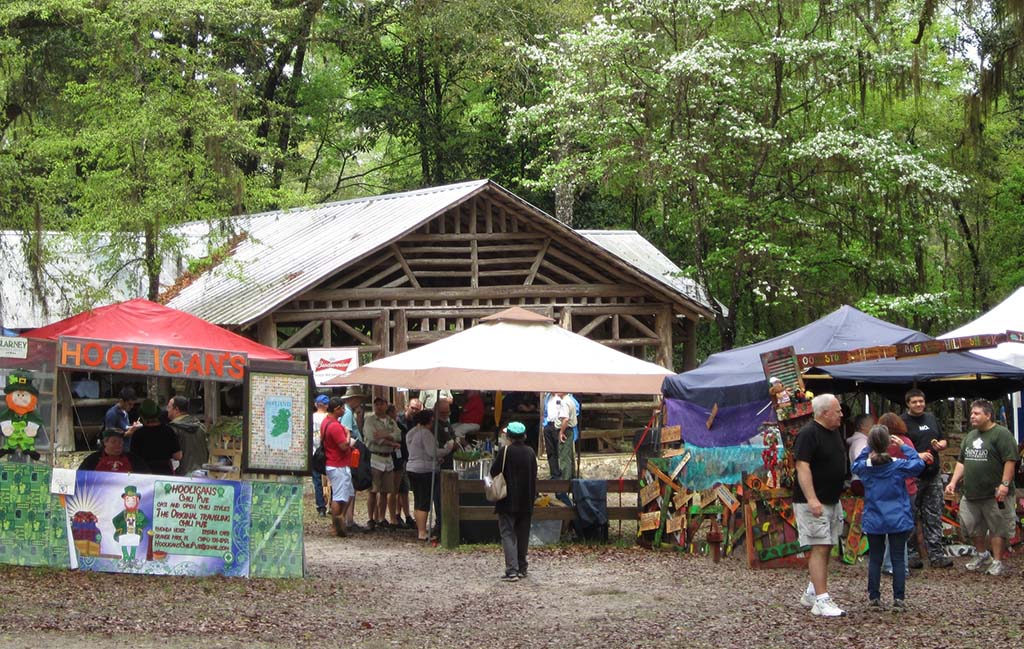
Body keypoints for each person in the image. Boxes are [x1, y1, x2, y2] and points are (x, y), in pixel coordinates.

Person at [852, 424, 925, 610]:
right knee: (898, 558)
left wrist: (869, 448)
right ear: (888, 443)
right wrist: (904, 446)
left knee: (875, 559)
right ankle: (898, 599)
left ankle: (874, 597)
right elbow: (919, 464)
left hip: (875, 518)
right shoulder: (897, 465)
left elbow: (855, 465)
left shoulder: (865, 468)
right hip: (897, 517)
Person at [944, 399, 1018, 576]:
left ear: (988, 415)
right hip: (971, 492)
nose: (972, 417)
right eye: (971, 414)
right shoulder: (971, 436)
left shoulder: (1001, 434)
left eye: (976, 413)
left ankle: (997, 561)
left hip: (995, 493)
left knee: (998, 527)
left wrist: (1005, 485)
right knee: (971, 525)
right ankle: (981, 554)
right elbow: (962, 462)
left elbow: (1010, 460)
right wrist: (953, 482)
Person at [794, 393, 847, 617]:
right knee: (819, 546)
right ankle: (822, 601)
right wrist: (812, 498)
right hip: (813, 501)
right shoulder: (808, 434)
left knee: (828, 545)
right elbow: (802, 467)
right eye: (837, 411)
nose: (841, 415)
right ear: (824, 413)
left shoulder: (834, 433)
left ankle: (812, 591)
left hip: (832, 499)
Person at [900, 388, 953, 569]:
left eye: (921, 401)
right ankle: (912, 554)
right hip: (913, 477)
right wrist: (916, 455)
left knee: (934, 515)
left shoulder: (931, 418)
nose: (918, 405)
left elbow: (943, 438)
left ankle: (936, 554)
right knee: (911, 515)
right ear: (908, 403)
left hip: (932, 475)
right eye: (914, 402)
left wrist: (942, 444)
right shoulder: (902, 422)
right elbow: (897, 448)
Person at [490, 421, 538, 582]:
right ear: (524, 436)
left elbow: (494, 471)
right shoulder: (531, 452)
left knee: (508, 534)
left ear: (508, 436)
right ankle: (522, 567)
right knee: (523, 535)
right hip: (526, 499)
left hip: (507, 500)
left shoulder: (505, 451)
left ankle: (511, 570)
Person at [406, 409, 455, 541]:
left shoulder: (411, 432)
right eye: (432, 420)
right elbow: (432, 452)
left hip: (413, 468)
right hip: (424, 470)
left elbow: (418, 451)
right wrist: (447, 449)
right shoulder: (425, 433)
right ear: (429, 420)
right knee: (424, 501)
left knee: (418, 500)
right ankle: (422, 532)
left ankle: (420, 529)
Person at [363, 396, 401, 528]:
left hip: (388, 458)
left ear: (386, 405)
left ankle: (381, 517)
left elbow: (398, 435)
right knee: (373, 490)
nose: (379, 406)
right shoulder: (370, 420)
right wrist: (391, 441)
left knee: (386, 490)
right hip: (374, 457)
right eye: (376, 404)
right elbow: (372, 437)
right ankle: (371, 518)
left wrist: (385, 435)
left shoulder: (391, 421)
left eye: (381, 404)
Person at [321, 396, 355, 537]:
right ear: (336, 409)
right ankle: (336, 525)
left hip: (336, 463)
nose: (344, 411)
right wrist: (347, 435)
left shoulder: (327, 422)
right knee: (339, 496)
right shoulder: (334, 426)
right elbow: (343, 446)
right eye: (342, 408)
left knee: (349, 493)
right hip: (338, 464)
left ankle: (340, 520)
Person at [130, 399, 181, 475]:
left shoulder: (137, 434)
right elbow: (178, 456)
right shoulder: (168, 431)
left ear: (142, 416)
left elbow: (133, 458)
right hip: (165, 472)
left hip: (144, 473)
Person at [339, 386, 366, 529]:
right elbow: (346, 433)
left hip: (350, 452)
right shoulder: (348, 413)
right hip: (352, 452)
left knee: (351, 486)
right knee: (351, 486)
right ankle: (348, 518)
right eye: (359, 398)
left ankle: (348, 518)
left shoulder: (348, 412)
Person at [392, 399, 421, 528]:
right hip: (399, 457)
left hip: (410, 457)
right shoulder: (398, 421)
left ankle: (406, 515)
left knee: (404, 488)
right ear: (406, 407)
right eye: (412, 408)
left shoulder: (417, 422)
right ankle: (397, 515)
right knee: (398, 488)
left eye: (417, 409)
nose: (414, 411)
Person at [167, 395, 209, 475]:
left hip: (183, 475)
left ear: (176, 409)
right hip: (203, 474)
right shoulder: (201, 427)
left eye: (169, 407)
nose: (167, 410)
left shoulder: (173, 429)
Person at [79, 429, 150, 473]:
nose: (118, 444)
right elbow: (81, 476)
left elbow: (146, 475)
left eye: (120, 442)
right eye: (114, 442)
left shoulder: (133, 459)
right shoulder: (92, 459)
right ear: (105, 442)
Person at [112, 485, 149, 563]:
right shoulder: (124, 513)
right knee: (123, 542)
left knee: (134, 542)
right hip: (125, 532)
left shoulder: (139, 513)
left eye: (133, 500)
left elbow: (146, 521)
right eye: (128, 500)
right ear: (125, 501)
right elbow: (115, 520)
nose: (130, 502)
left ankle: (132, 557)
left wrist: (140, 526)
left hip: (135, 532)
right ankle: (125, 556)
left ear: (137, 500)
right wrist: (120, 528)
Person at [542, 392, 572, 479]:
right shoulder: (547, 396)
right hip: (549, 424)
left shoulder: (566, 397)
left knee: (562, 451)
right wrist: (545, 424)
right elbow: (545, 411)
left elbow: (574, 409)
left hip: (559, 425)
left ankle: (564, 475)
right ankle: (554, 474)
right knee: (551, 451)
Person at [311, 394, 330, 517]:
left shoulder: (311, 417)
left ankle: (321, 506)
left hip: (314, 452)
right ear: (327, 405)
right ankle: (332, 504)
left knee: (317, 480)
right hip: (328, 452)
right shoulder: (329, 418)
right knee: (331, 479)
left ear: (316, 404)